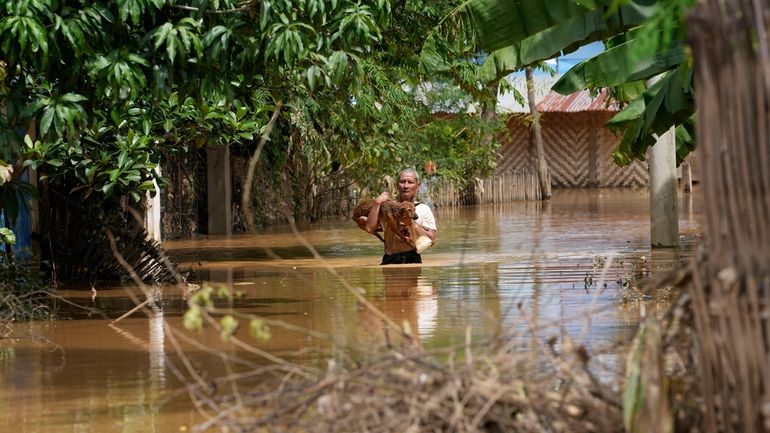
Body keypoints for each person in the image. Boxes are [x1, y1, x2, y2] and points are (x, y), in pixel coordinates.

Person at [365, 168, 437, 264]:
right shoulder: (386, 206)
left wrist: (411, 223)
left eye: (410, 182)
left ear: (417, 185)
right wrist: (377, 203)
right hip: (390, 258)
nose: (406, 186)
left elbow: (432, 240)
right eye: (402, 182)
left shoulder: (423, 209)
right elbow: (369, 228)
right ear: (397, 185)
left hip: (413, 258)